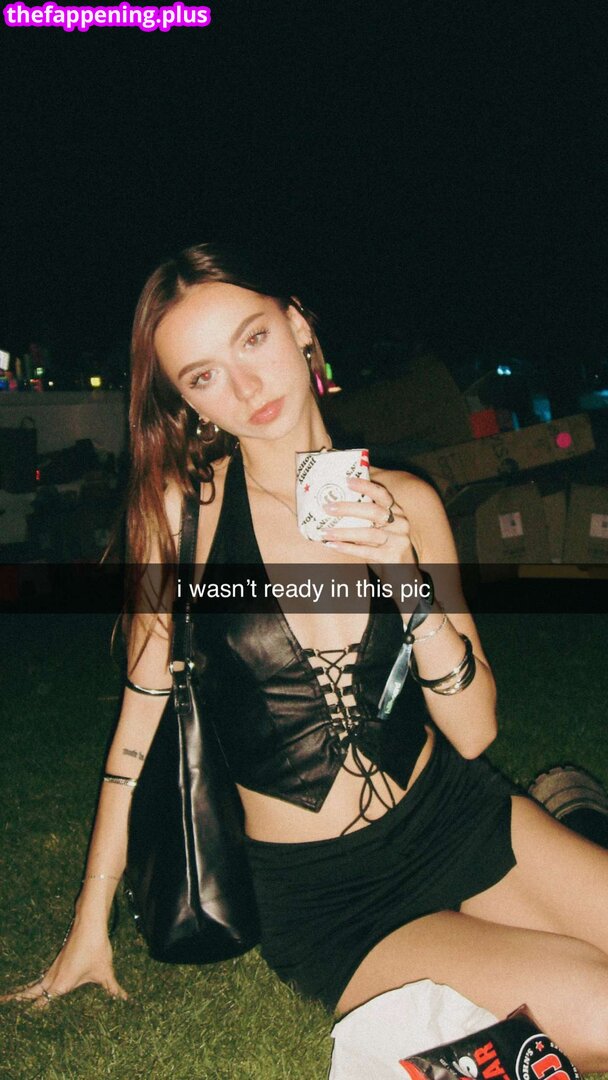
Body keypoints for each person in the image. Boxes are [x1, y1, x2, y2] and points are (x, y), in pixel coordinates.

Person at [2, 244, 608, 1072]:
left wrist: (405, 577)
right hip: (334, 899)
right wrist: (89, 923)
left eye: (253, 339)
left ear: (296, 326)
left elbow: (473, 734)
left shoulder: (409, 502)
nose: (246, 387)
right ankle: (574, 818)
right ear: (188, 402)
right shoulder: (185, 518)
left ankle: (565, 816)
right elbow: (140, 717)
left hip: (455, 815)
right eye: (204, 376)